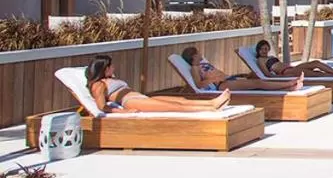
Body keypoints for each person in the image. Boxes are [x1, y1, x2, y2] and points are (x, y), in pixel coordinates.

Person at [86, 54, 231, 113]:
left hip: (141, 97)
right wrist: (123, 112)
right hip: (130, 101)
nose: (114, 67)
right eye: (111, 66)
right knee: (173, 107)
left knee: (181, 100)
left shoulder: (110, 78)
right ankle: (211, 107)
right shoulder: (98, 85)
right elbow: (102, 107)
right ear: (104, 69)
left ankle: (212, 103)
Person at [181, 46, 301, 92]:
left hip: (228, 79)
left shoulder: (202, 64)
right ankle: (290, 84)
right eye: (198, 52)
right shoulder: (194, 68)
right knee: (257, 83)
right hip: (222, 85)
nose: (200, 53)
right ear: (194, 56)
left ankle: (289, 86)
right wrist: (213, 79)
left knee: (254, 76)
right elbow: (198, 84)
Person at [254, 40, 333, 78]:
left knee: (316, 63)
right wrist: (280, 79)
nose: (264, 51)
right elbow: (266, 74)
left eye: (266, 49)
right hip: (286, 72)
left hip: (291, 68)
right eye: (262, 49)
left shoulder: (270, 57)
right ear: (258, 50)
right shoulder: (260, 60)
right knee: (315, 74)